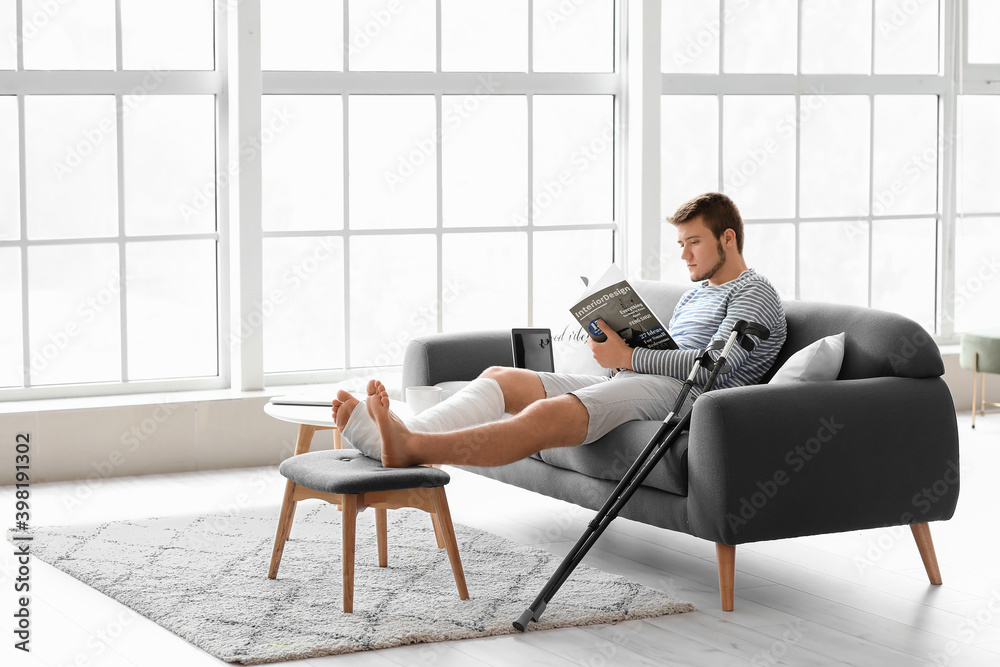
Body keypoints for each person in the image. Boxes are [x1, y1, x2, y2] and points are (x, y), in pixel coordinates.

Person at [333, 192, 787, 468]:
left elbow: (711, 366)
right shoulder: (695, 294)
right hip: (643, 380)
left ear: (728, 238)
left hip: (692, 397)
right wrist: (621, 352)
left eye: (694, 242)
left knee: (548, 413)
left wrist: (628, 357)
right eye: (681, 244)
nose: (684, 255)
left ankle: (412, 447)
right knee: (501, 378)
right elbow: (665, 352)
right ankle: (399, 436)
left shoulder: (755, 292)